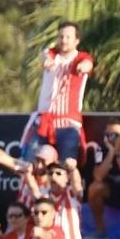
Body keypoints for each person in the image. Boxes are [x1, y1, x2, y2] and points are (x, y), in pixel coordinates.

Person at [27, 21, 92, 168]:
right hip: (45, 122)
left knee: (67, 165)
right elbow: (45, 58)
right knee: (30, 164)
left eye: (68, 37)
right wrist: (47, 61)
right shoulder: (50, 54)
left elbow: (87, 64)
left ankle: (67, 191)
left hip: (68, 125)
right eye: (61, 36)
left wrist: (82, 68)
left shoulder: (81, 58)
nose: (63, 40)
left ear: (76, 41)